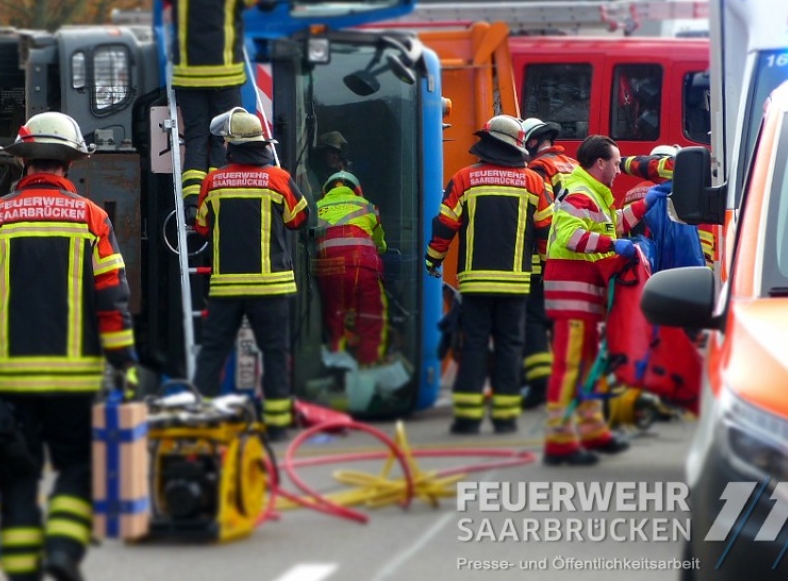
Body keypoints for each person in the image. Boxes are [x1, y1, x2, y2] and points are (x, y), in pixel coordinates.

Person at [0, 112, 137, 581]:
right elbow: (112, 301)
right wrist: (125, 364)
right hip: (77, 380)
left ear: (23, 163)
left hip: (12, 380)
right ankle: (62, 551)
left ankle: (21, 570)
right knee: (77, 468)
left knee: (17, 475)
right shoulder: (93, 219)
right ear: (71, 165)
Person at [543, 135, 670, 466]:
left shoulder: (593, 194)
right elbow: (571, 237)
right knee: (570, 365)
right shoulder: (581, 193)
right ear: (599, 163)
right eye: (615, 162)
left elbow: (613, 225)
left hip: (584, 291)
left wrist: (647, 203)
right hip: (572, 290)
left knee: (588, 364)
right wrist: (613, 247)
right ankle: (559, 440)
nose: (618, 169)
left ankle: (590, 429)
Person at [426, 115, 553, 435]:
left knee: (475, 345)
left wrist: (433, 260)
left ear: (487, 142)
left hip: (475, 281)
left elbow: (444, 227)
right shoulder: (534, 182)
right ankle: (505, 417)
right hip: (516, 282)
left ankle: (468, 419)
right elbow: (546, 235)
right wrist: (544, 268)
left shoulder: (464, 178)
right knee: (511, 345)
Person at [193, 107, 308, 440]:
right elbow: (298, 220)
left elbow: (201, 228)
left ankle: (200, 422)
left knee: (213, 351)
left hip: (226, 287)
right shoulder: (278, 179)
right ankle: (276, 424)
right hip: (272, 286)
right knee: (274, 352)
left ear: (230, 146)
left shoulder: (213, 181)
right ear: (260, 143)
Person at [152, 0, 260, 218]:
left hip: (188, 76)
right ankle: (220, 198)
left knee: (197, 136)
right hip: (226, 75)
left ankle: (191, 204)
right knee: (223, 137)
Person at [315, 170, 409, 408]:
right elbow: (381, 243)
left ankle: (337, 377)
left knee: (334, 319)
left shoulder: (316, 207)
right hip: (363, 268)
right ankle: (367, 379)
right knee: (372, 320)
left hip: (328, 270)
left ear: (326, 189)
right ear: (357, 189)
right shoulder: (367, 206)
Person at [520, 118, 577, 410]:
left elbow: (539, 214)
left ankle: (541, 384)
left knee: (534, 319)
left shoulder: (539, 170)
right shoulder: (573, 166)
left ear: (531, 143)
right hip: (576, 257)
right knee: (565, 320)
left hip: (547, 256)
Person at [620, 144, 716, 265]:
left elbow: (617, 225)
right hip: (676, 264)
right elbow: (703, 236)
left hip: (639, 263)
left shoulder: (631, 194)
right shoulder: (687, 194)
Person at [304, 130, 350, 200]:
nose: (335, 157)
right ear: (323, 153)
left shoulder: (336, 174)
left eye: (337, 153)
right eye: (332, 152)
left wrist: (341, 175)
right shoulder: (312, 175)